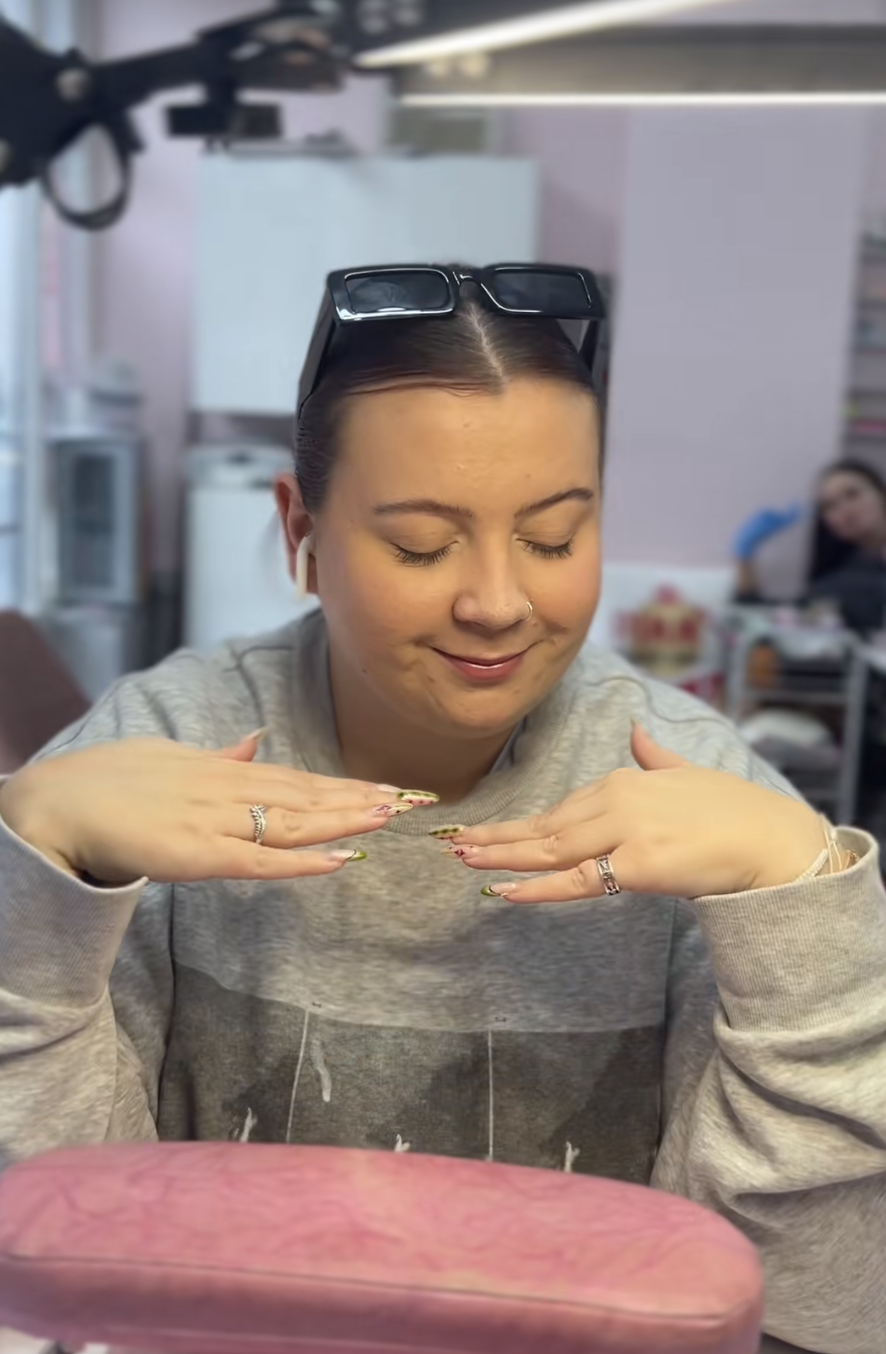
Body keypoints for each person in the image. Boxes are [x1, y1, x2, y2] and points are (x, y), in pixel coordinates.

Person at [0, 263, 884, 1354]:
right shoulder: (164, 745)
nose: (498, 603)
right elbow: (52, 1252)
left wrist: (808, 913)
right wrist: (33, 889)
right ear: (300, 531)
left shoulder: (696, 796)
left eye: (555, 536)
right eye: (420, 544)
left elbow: (808, 1307)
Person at [735, 459, 886, 634]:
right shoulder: (846, 578)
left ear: (881, 493)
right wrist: (743, 556)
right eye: (830, 506)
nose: (845, 509)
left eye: (852, 494)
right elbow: (787, 620)